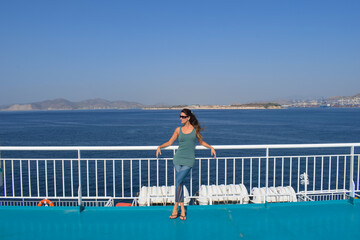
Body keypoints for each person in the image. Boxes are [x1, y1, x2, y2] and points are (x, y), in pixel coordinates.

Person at [156, 108, 216, 220]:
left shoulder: (195, 129)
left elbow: (201, 142)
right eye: (180, 116)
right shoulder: (178, 130)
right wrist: (160, 146)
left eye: (183, 117)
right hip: (178, 158)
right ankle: (182, 209)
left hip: (189, 160)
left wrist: (211, 147)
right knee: (179, 182)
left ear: (188, 118)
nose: (180, 118)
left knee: (178, 181)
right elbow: (170, 142)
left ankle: (176, 207)